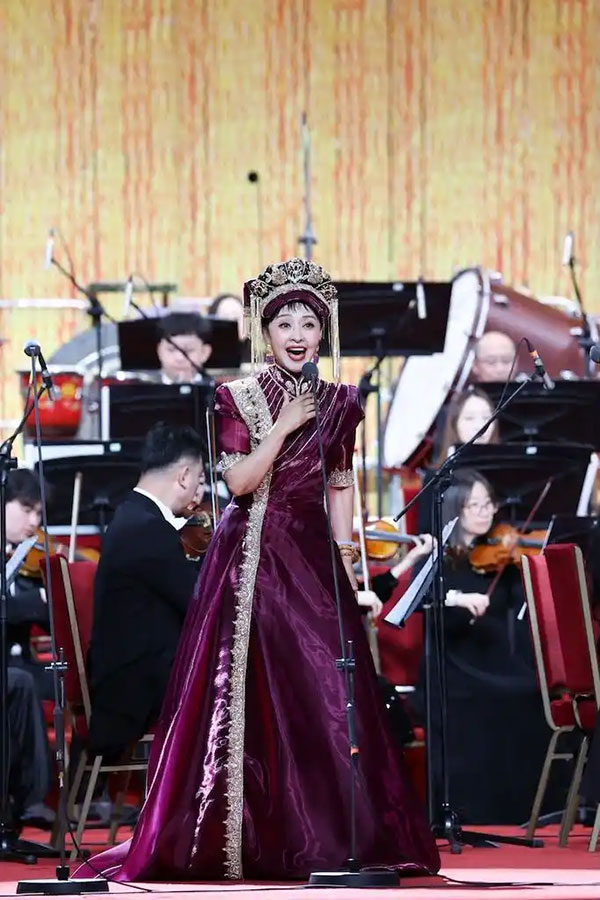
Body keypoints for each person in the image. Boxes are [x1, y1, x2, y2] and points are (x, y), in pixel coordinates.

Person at [78, 258, 439, 881]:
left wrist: (347, 564)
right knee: (248, 694)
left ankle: (327, 837)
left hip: (313, 558)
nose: (297, 335)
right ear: (265, 333)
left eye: (309, 324)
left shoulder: (341, 401)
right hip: (252, 558)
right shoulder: (236, 396)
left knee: (328, 693)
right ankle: (247, 837)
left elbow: (339, 482)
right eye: (284, 324)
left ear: (322, 333)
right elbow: (241, 483)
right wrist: (284, 427)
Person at [413, 468, 565, 824]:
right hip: (454, 665)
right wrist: (456, 598)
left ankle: (532, 807)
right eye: (475, 505)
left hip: (495, 658)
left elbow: (519, 608)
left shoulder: (501, 555)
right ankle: (476, 809)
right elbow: (422, 599)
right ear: (456, 509)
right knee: (504, 697)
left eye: (488, 504)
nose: (486, 513)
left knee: (534, 692)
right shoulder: (435, 557)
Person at [88, 423, 205, 760]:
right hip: (135, 688)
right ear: (184, 476)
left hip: (135, 671)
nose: (198, 492)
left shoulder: (134, 515)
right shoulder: (147, 528)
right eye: (199, 480)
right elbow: (199, 603)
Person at [435, 387, 499, 463]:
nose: (480, 426)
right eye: (469, 418)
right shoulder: (441, 470)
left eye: (486, 417)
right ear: (454, 424)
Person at [155, 312, 213, 384]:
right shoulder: (143, 387)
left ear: (205, 352)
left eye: (188, 350)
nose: (179, 358)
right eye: (171, 350)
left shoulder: (219, 389)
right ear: (159, 351)